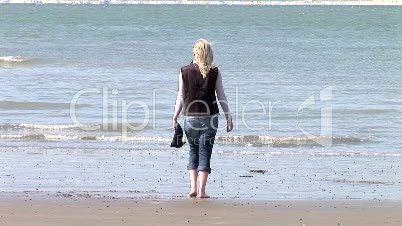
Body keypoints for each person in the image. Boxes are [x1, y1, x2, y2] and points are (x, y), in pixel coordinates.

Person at [172, 39, 233, 198]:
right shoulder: (215, 71)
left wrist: (175, 116)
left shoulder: (184, 71)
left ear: (194, 53)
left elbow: (180, 96)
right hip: (210, 118)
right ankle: (202, 191)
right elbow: (221, 97)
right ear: (209, 54)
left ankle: (192, 187)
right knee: (205, 152)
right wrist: (229, 117)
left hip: (190, 117)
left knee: (193, 151)